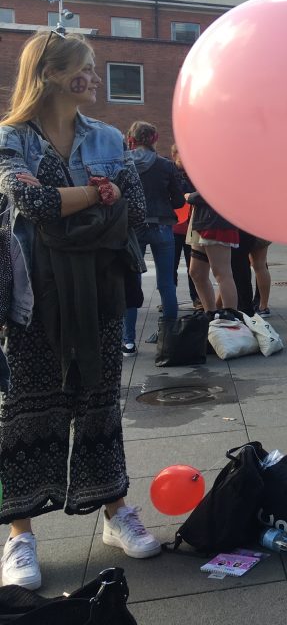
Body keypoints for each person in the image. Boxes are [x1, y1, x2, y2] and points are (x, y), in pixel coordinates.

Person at [0, 30, 161, 590]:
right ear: (48, 74)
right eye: (84, 68)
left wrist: (82, 205)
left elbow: (136, 208)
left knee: (97, 402)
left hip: (97, 291)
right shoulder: (10, 139)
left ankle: (116, 513)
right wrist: (99, 194)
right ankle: (19, 537)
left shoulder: (109, 136)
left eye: (94, 67)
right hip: (30, 299)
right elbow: (31, 202)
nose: (93, 77)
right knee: (25, 408)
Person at [121, 121, 185, 356]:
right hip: (162, 227)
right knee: (166, 282)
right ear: (154, 139)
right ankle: (169, 336)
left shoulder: (124, 162)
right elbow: (179, 201)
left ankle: (128, 341)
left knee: (132, 282)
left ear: (132, 138)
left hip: (133, 227)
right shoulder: (166, 166)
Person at [185, 191, 239, 312]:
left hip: (216, 221)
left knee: (222, 273)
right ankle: (211, 314)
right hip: (204, 219)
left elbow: (217, 188)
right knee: (196, 272)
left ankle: (230, 320)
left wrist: (191, 196)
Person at [169, 144, 201, 310]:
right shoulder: (170, 172)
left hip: (191, 226)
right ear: (174, 155)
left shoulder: (194, 173)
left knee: (193, 265)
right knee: (171, 266)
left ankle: (196, 298)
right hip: (174, 227)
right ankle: (170, 299)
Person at [250, 236, 273, 316]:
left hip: (246, 230)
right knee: (260, 265)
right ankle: (263, 306)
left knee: (237, 264)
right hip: (263, 231)